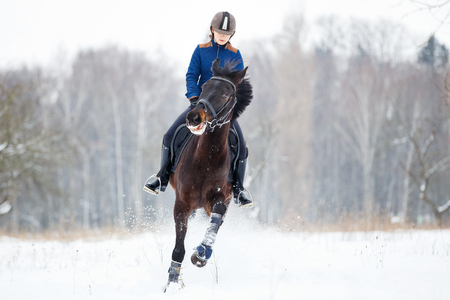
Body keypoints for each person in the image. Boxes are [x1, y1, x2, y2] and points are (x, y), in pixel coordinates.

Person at [144, 11, 252, 207]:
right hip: (200, 106)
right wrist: (194, 98)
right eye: (219, 32)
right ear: (212, 30)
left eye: (226, 34)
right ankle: (161, 177)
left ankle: (238, 189)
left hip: (223, 112)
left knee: (241, 146)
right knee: (170, 135)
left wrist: (229, 108)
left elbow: (238, 85)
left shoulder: (235, 54)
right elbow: (191, 75)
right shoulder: (201, 50)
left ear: (231, 35)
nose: (222, 36)